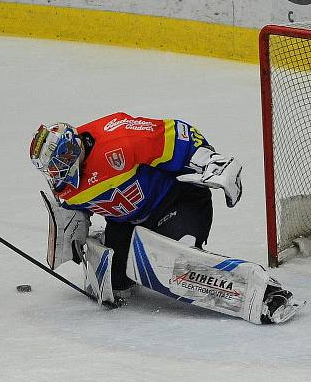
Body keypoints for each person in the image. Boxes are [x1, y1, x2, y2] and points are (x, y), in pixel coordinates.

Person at [29, 113, 301, 323]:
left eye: (57, 165)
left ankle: (266, 294)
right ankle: (122, 249)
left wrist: (211, 160)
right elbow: (76, 212)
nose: (55, 174)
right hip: (127, 222)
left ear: (71, 151)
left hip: (178, 200)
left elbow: (176, 135)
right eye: (49, 169)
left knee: (178, 261)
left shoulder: (119, 139)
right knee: (115, 286)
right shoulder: (66, 185)